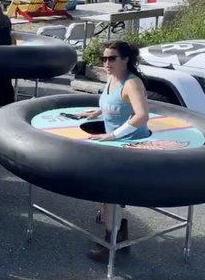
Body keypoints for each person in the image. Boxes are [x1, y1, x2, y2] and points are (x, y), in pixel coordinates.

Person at [75, 41, 150, 262]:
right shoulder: (112, 77)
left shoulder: (132, 83)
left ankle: (111, 242)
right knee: (105, 194)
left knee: (109, 194)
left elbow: (141, 115)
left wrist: (113, 135)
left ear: (125, 59)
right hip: (113, 144)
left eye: (112, 58)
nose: (106, 63)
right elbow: (112, 103)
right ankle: (119, 229)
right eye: (104, 58)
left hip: (129, 146)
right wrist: (95, 112)